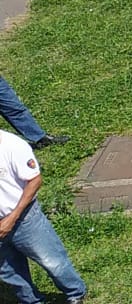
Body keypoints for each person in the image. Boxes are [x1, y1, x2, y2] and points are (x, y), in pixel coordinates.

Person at [0, 130, 87, 304]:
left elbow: (35, 181)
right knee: (8, 270)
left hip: (24, 219)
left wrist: (12, 218)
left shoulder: (13, 146)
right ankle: (30, 300)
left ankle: (75, 292)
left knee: (52, 261)